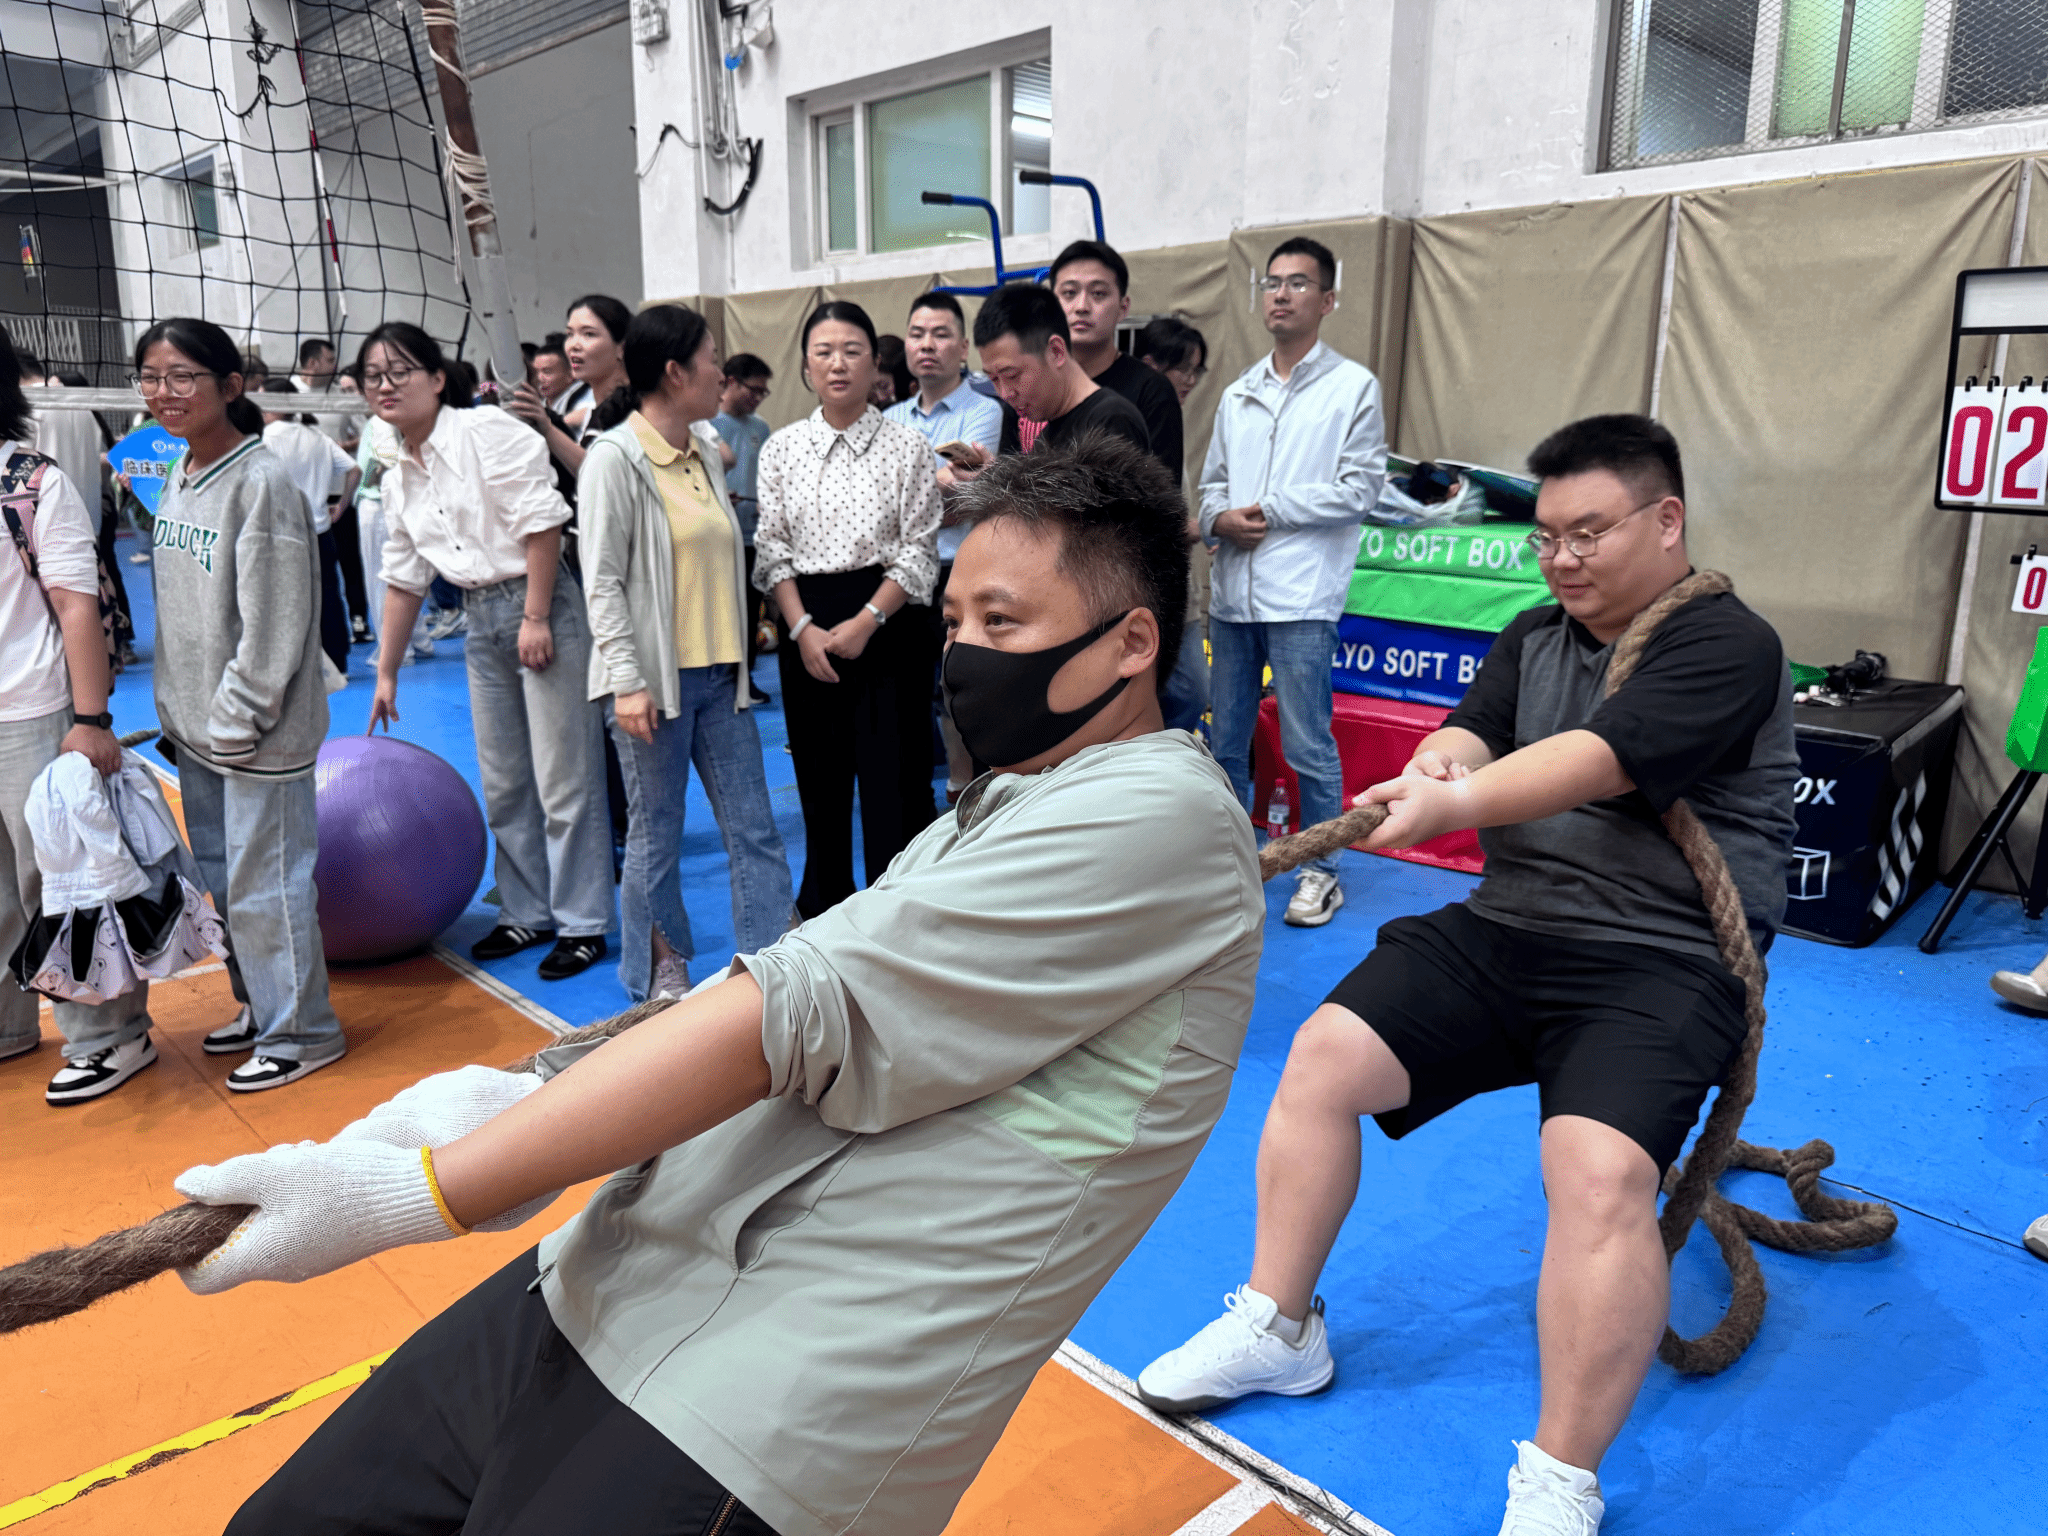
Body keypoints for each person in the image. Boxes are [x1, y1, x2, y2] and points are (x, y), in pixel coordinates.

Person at [174, 432, 1265, 1536]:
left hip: (775, 1387)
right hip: (619, 1264)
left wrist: (425, 1189)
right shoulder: (999, 806)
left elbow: (787, 1016)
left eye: (1003, 623)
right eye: (954, 623)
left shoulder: (1161, 819)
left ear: (1132, 643)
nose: (964, 653)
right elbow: (792, 978)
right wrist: (529, 1098)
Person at [1142, 414, 1798, 1536]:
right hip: (1512, 926)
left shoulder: (1726, 643)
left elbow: (1600, 759)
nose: (1561, 559)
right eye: (1546, 537)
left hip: (1662, 956)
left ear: (1665, 520)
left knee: (1597, 1175)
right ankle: (1280, 1327)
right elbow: (1474, 734)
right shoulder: (1534, 635)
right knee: (1324, 1056)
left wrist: (1452, 805)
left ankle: (1561, 1474)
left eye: (1587, 533)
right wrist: (1436, 763)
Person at [363, 323, 614, 981]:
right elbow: (404, 577)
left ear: (436, 378)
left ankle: (583, 921)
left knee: (565, 777)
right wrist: (386, 672)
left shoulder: (487, 431)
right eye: (373, 376)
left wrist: (536, 617)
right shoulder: (398, 472)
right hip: (480, 619)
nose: (385, 386)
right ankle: (527, 911)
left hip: (541, 604)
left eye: (399, 371)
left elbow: (543, 523)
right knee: (504, 780)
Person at [137, 318, 346, 1090]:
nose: (165, 392)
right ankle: (262, 1005)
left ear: (230, 386)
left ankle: (304, 1032)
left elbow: (276, 624)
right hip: (197, 729)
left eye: (182, 376)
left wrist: (240, 715)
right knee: (228, 882)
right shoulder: (179, 473)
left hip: (258, 731)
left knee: (269, 884)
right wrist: (180, 709)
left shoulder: (262, 483)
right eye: (151, 377)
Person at [579, 305, 793, 1003]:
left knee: (754, 827)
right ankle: (659, 965)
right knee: (655, 835)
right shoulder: (614, 459)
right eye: (711, 361)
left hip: (722, 677)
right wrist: (626, 681)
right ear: (674, 372)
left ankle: (771, 959)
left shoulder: (703, 447)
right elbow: (603, 582)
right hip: (653, 684)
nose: (720, 375)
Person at [1199, 236, 1386, 929]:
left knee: (1308, 742)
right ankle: (1229, 868)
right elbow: (1210, 486)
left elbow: (1361, 489)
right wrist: (1218, 518)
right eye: (1272, 283)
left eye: (1298, 283)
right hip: (1232, 595)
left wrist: (1272, 509)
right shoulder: (1238, 393)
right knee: (1227, 742)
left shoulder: (1352, 388)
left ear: (1328, 300)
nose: (1280, 294)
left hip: (1303, 597)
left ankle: (1321, 869)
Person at [0, 327, 151, 1103]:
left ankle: (110, 1035)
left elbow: (74, 603)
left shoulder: (28, 481)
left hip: (32, 709)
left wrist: (90, 719)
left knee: (64, 879)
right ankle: (9, 1024)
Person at [754, 300, 942, 918]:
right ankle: (824, 911)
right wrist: (801, 628)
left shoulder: (908, 447)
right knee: (820, 780)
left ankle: (897, 916)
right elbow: (772, 549)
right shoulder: (781, 449)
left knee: (896, 781)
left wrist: (866, 622)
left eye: (852, 351)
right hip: (805, 626)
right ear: (806, 367)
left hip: (888, 624)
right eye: (824, 352)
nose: (838, 364)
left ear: (875, 363)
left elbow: (918, 550)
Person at [886, 291, 1006, 800]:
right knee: (907, 694)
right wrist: (938, 484)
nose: (927, 345)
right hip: (900, 575)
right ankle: (918, 801)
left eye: (940, 335)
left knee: (964, 689)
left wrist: (916, 489)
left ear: (963, 347)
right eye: (917, 334)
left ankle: (972, 793)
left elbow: (968, 491)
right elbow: (888, 498)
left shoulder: (985, 411)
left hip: (963, 570)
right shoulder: (890, 416)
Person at [1050, 239, 1184, 481]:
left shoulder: (1152, 391)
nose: (1081, 306)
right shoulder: (1038, 386)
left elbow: (1165, 493)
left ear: (1123, 308)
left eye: (1098, 294)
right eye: (1069, 293)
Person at [971, 283, 1150, 456]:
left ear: (1056, 352)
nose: (1005, 393)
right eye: (994, 379)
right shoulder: (1047, 434)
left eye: (1011, 375)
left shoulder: (1112, 421)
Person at [259, 379, 360, 675]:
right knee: (329, 595)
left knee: (286, 601)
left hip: (283, 533)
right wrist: (341, 504)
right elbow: (354, 469)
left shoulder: (264, 439)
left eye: (262, 399)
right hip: (321, 531)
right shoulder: (316, 435)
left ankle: (295, 668)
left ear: (278, 403)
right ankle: (338, 663)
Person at [508, 294, 632, 483]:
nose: (574, 345)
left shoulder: (635, 410)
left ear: (621, 347)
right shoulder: (599, 409)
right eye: (570, 334)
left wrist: (548, 428)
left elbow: (599, 473)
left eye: (589, 334)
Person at [710, 353, 775, 702]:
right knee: (721, 611)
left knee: (750, 610)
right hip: (716, 536)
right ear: (730, 382)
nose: (757, 398)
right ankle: (722, 681)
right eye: (753, 389)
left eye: (763, 392)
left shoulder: (760, 428)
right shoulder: (705, 424)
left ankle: (745, 678)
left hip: (752, 535)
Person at [1137, 315, 1209, 405]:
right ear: (1149, 365)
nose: (1192, 381)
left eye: (1197, 371)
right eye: (1184, 369)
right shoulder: (1126, 410)